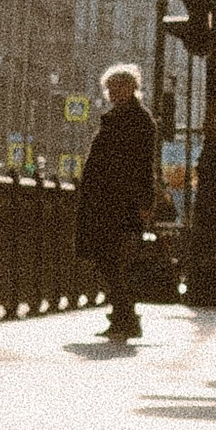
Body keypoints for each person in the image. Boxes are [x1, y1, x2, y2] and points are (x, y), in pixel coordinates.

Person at [76, 62, 160, 338]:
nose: (112, 93)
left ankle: (126, 318)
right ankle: (122, 317)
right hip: (106, 202)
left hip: (119, 203)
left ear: (132, 88)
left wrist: (145, 201)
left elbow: (142, 165)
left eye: (118, 87)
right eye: (109, 88)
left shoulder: (136, 120)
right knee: (109, 260)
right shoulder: (121, 117)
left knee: (113, 260)